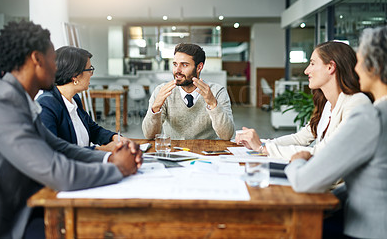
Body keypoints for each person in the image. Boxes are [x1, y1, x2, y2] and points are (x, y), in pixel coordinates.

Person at [0, 20, 142, 239]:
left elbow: (59, 146)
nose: (57, 67)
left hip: (31, 206)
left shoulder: (18, 98)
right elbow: (58, 172)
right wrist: (118, 169)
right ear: (37, 59)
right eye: (53, 59)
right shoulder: (2, 102)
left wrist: (110, 159)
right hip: (11, 221)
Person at [285, 26, 387, 239]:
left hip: (366, 230)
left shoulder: (370, 117)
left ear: (374, 66)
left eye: (359, 61)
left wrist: (298, 160)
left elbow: (305, 181)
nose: (355, 69)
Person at [235, 41, 371, 160]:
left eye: (312, 63)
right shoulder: (327, 104)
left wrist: (263, 148)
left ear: (330, 67)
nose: (306, 71)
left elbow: (323, 153)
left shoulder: (356, 103)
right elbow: (299, 139)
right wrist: (263, 144)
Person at [37, 46, 126, 151]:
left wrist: (115, 138)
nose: (91, 75)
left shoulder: (74, 99)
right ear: (75, 75)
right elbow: (53, 152)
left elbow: (93, 130)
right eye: (90, 70)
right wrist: (101, 150)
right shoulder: (46, 105)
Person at [142, 43, 235, 140]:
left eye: (184, 65)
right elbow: (149, 135)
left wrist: (213, 104)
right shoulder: (162, 91)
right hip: (174, 151)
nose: (177, 70)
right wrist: (156, 107)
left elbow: (227, 135)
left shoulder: (217, 92)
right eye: (175, 64)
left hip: (206, 152)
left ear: (199, 67)